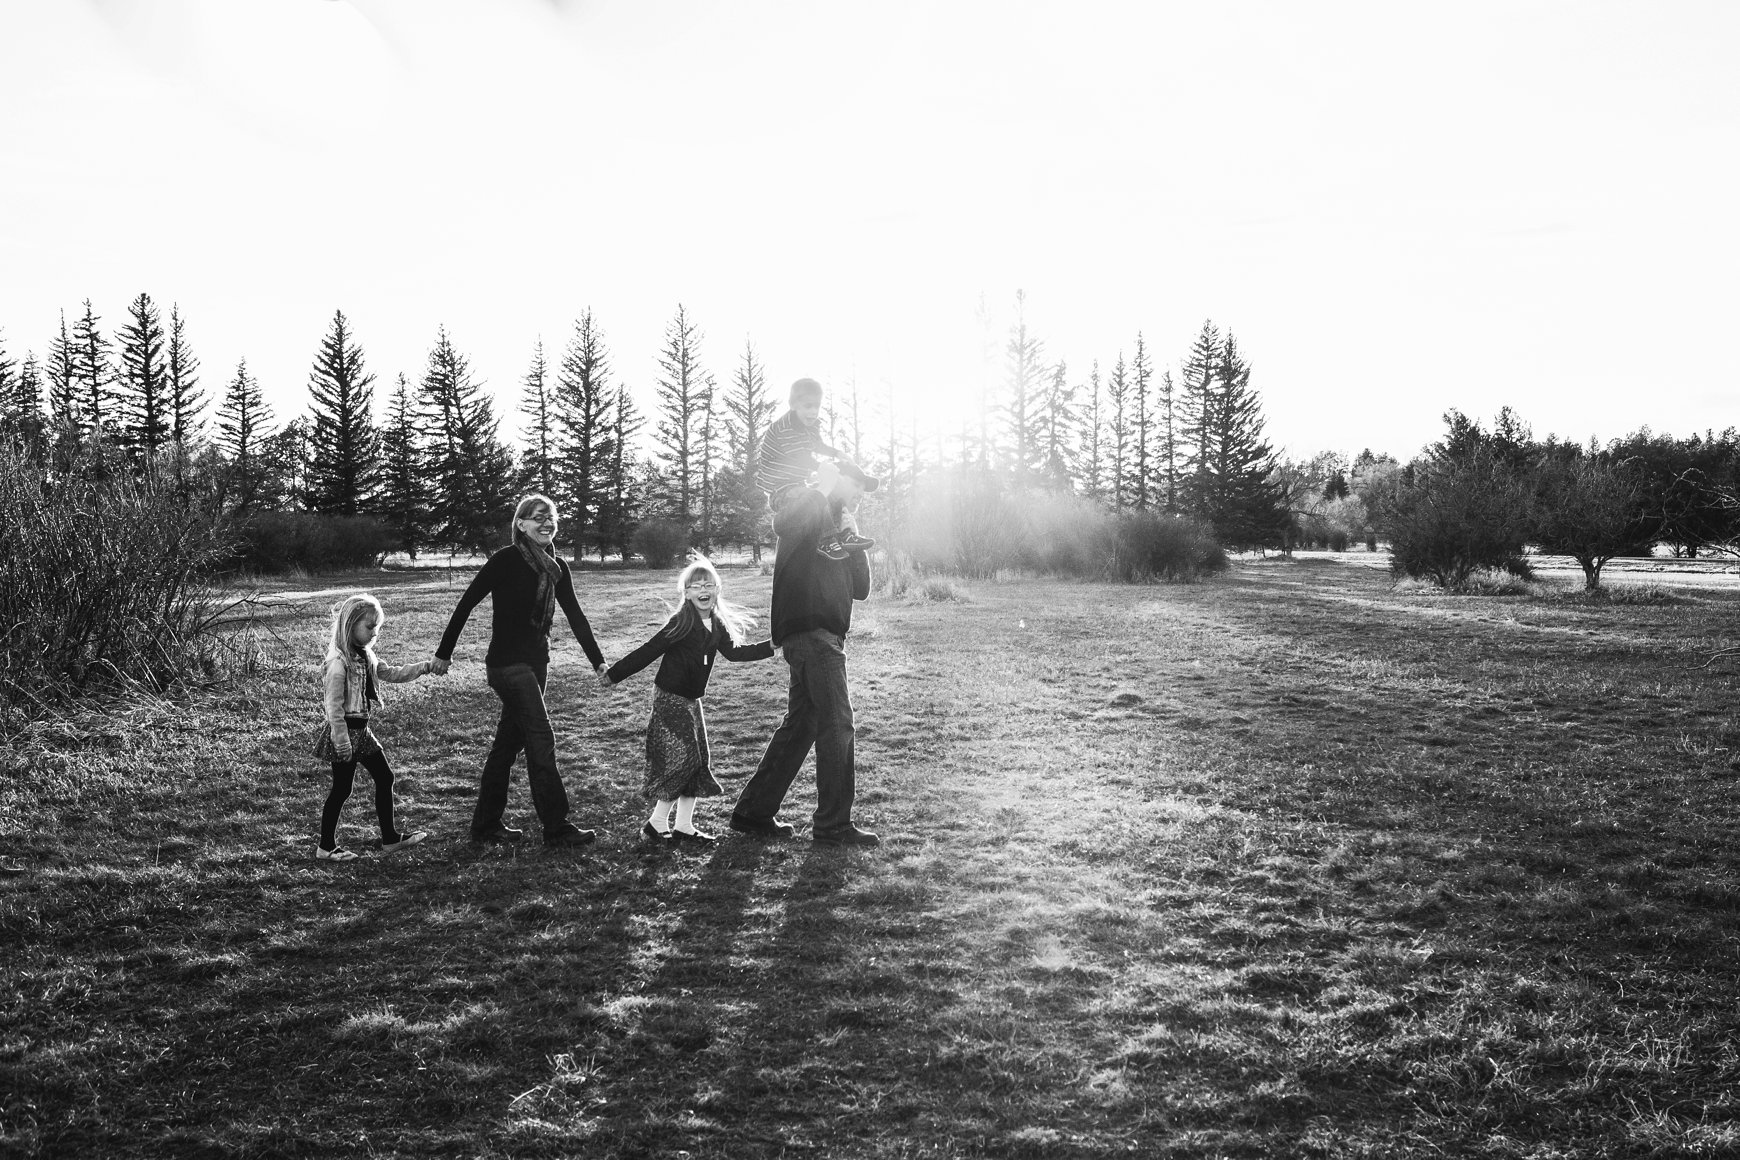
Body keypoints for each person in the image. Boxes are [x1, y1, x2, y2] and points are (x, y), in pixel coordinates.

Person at [432, 494, 608, 848]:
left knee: (507, 744)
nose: (547, 523)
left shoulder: (556, 567)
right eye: (538, 517)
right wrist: (444, 653)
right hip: (506, 665)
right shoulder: (506, 560)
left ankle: (485, 825)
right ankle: (556, 827)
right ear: (521, 524)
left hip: (537, 663)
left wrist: (598, 661)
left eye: (552, 517)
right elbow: (466, 603)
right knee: (541, 738)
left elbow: (575, 615)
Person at [729, 458, 880, 846]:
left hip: (821, 634)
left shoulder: (840, 527)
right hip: (811, 631)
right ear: (838, 479)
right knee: (837, 722)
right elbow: (781, 521)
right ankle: (833, 825)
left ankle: (753, 812)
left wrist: (854, 539)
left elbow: (860, 589)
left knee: (804, 723)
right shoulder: (808, 507)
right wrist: (823, 491)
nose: (861, 493)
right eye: (857, 484)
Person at [600, 556, 775, 845]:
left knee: (698, 761)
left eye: (709, 585)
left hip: (691, 701)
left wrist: (770, 646)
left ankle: (683, 826)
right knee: (683, 759)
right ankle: (657, 823)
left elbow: (736, 654)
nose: (703, 590)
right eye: (696, 586)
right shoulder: (681, 622)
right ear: (687, 593)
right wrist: (614, 674)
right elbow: (648, 651)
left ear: (717, 590)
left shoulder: (716, 624)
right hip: (670, 697)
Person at [313, 593, 434, 861]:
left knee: (384, 777)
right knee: (342, 789)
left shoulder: (365, 655)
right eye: (369, 627)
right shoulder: (338, 663)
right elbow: (333, 707)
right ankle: (326, 846)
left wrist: (424, 667)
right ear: (350, 624)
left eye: (376, 628)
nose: (374, 633)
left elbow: (390, 673)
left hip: (362, 733)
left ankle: (390, 838)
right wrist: (341, 740)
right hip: (345, 733)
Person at [755, 376, 876, 560]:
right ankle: (825, 540)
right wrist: (821, 466)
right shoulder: (784, 428)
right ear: (794, 405)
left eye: (817, 406)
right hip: (780, 490)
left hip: (797, 484)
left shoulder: (810, 426)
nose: (813, 412)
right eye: (808, 406)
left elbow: (817, 446)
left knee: (828, 497)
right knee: (816, 496)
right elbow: (799, 456)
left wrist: (837, 453)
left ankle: (845, 534)